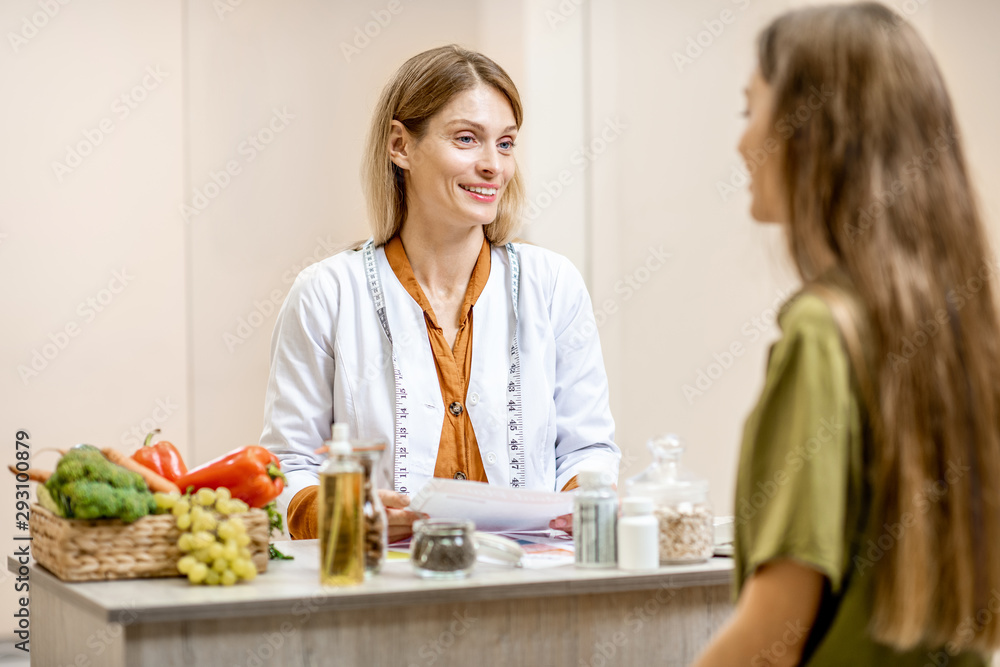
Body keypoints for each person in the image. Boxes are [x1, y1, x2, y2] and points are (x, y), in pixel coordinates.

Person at [693, 3, 1000, 665]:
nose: (744, 142)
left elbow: (772, 638)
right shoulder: (961, 334)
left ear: (812, 132)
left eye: (752, 111)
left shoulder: (821, 334)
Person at [260, 45, 619, 542]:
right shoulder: (326, 293)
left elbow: (587, 448)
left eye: (507, 143)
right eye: (467, 139)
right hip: (384, 589)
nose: (493, 165)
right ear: (400, 146)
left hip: (528, 581)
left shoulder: (553, 284)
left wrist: (585, 496)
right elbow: (286, 462)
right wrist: (346, 512)